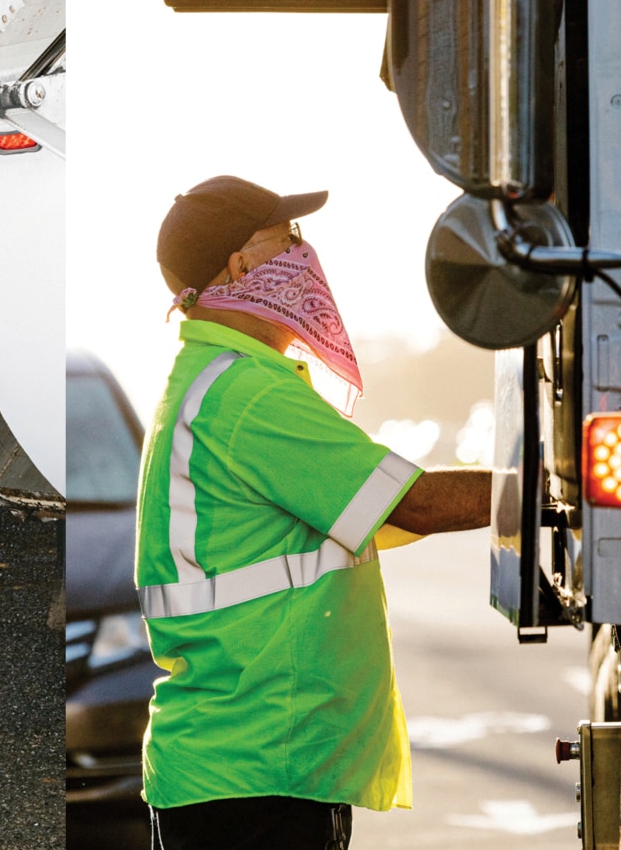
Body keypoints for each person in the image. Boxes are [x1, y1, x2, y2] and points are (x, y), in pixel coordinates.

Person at [136, 176, 493, 849]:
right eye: (288, 239)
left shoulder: (218, 377)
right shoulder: (244, 393)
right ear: (242, 268)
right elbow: (412, 502)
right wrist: (553, 489)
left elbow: (362, 515)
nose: (304, 253)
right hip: (255, 775)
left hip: (249, 768)